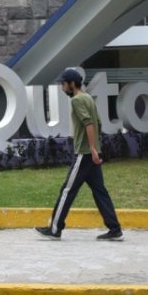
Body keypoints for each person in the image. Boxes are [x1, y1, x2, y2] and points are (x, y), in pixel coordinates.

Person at [35, 67, 124, 241]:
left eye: (64, 84)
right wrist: (96, 149)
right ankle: (115, 229)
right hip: (91, 153)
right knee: (100, 192)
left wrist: (90, 148)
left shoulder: (76, 100)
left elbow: (89, 123)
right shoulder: (88, 98)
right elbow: (98, 122)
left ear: (72, 84)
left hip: (84, 154)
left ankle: (54, 229)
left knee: (67, 190)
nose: (62, 87)